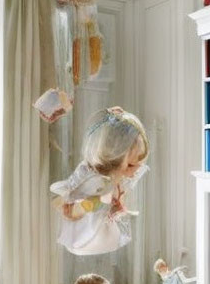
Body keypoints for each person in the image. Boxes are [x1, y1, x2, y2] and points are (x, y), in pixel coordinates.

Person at [50, 106, 149, 255]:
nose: (133, 171)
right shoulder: (93, 178)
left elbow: (117, 203)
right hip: (87, 227)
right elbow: (75, 201)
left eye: (136, 165)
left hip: (104, 227)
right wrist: (96, 202)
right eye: (129, 165)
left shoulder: (119, 181)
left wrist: (116, 207)